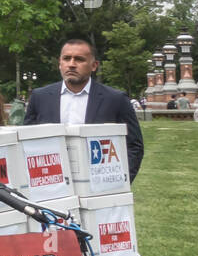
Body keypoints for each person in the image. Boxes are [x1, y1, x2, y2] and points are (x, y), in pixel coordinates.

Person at [24, 38, 144, 181]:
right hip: (51, 183)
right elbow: (27, 143)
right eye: (66, 59)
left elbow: (134, 146)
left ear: (94, 66)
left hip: (98, 184)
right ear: (59, 63)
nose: (71, 64)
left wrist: (120, 181)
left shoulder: (115, 99)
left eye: (79, 59)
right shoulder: (40, 97)